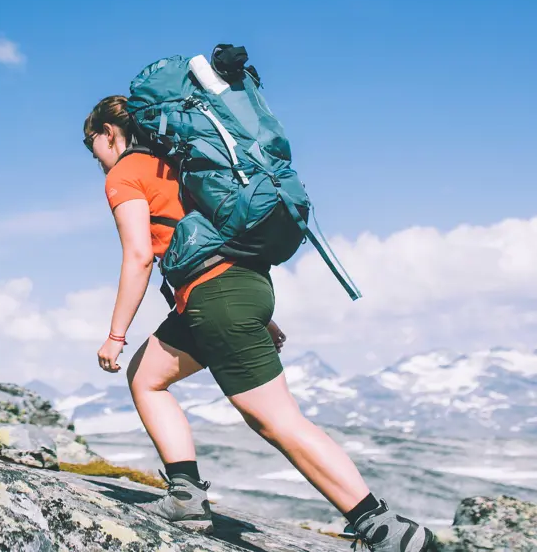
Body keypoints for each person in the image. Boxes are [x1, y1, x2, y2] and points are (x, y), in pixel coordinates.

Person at [82, 95, 436, 552]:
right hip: (236, 288)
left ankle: (383, 528)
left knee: (276, 421)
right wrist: (257, 316)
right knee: (147, 377)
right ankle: (186, 496)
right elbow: (205, 238)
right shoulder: (181, 164)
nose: (93, 153)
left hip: (216, 298)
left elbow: (138, 256)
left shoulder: (124, 173)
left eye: (91, 142)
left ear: (109, 132)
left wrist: (115, 335)